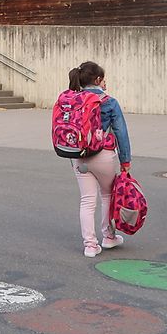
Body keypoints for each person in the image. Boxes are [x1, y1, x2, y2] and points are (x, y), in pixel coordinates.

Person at [66, 62, 132, 258]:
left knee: (87, 201)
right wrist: (125, 161)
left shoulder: (72, 98)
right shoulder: (109, 102)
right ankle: (108, 236)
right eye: (103, 79)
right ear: (97, 80)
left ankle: (90, 245)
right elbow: (121, 133)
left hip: (78, 156)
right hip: (103, 154)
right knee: (107, 195)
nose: (105, 83)